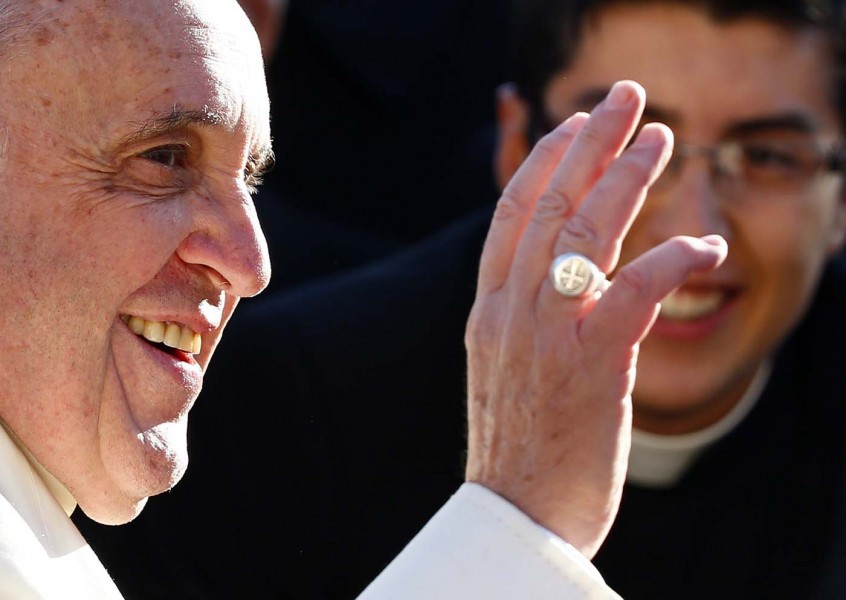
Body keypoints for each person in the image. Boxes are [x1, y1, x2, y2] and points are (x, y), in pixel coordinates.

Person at [76, 0, 846, 598]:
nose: (695, 233)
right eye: (630, 150)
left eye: (770, 157)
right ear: (516, 144)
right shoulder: (283, 412)